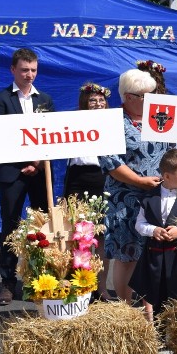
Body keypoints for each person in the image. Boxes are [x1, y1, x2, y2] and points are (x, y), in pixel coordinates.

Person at [99, 65, 173, 305]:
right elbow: (110, 161)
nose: (151, 99)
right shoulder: (112, 122)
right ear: (129, 97)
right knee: (127, 255)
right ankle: (127, 310)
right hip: (126, 199)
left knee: (154, 255)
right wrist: (140, 181)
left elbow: (172, 150)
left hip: (157, 197)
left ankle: (152, 310)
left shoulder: (158, 117)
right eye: (146, 96)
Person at [0, 47, 54, 306]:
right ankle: (8, 283)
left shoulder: (45, 100)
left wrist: (37, 163)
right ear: (13, 70)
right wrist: (25, 163)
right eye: (25, 70)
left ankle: (40, 279)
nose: (30, 75)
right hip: (12, 171)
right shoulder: (1, 98)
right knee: (11, 227)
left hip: (40, 172)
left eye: (34, 70)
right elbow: (1, 135)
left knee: (42, 226)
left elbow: (52, 134)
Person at [132, 149, 177, 322]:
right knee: (154, 291)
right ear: (167, 176)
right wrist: (153, 230)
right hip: (154, 255)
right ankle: (156, 327)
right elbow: (139, 224)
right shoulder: (149, 197)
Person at [64, 82, 112, 301]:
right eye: (93, 100)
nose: (98, 104)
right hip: (78, 179)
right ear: (85, 103)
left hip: (103, 179)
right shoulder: (73, 122)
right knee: (79, 236)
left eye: (101, 100)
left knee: (101, 237)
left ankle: (101, 288)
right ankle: (80, 286)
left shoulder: (113, 123)